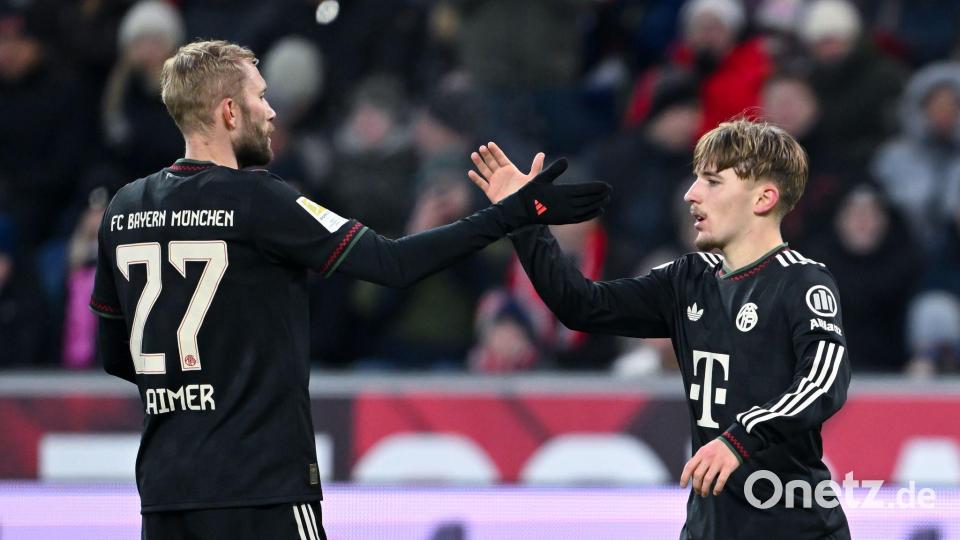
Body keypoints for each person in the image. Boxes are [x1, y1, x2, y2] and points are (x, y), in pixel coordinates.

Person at [89, 39, 610, 540]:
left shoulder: (124, 209)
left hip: (165, 492)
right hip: (260, 486)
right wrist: (509, 216)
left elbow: (116, 354)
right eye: (260, 97)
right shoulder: (261, 200)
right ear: (229, 112)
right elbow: (392, 262)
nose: (271, 113)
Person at [467, 121, 852, 539]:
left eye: (712, 182)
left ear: (763, 198)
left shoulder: (803, 282)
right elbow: (582, 306)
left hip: (794, 529)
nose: (691, 194)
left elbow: (822, 381)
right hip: (709, 530)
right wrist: (525, 220)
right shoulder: (686, 279)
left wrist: (740, 438)